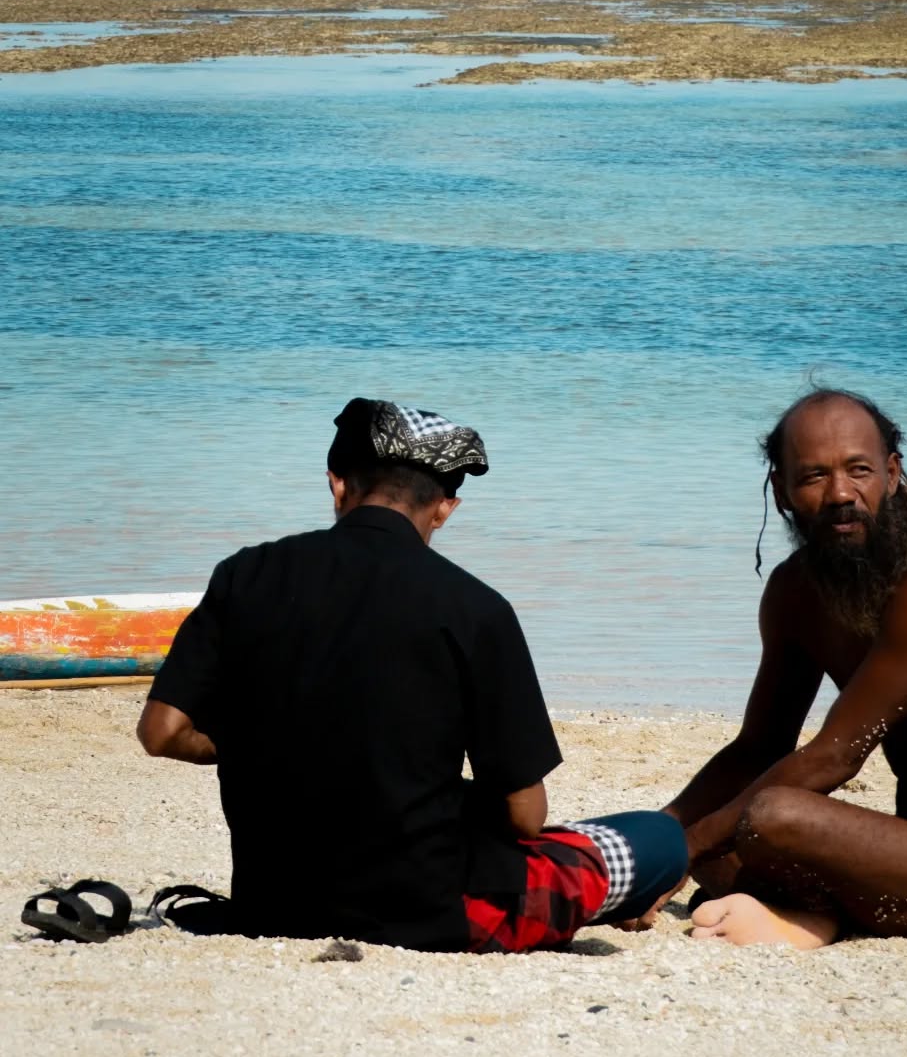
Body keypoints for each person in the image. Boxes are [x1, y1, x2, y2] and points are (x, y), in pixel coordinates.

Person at [138, 397, 686, 952]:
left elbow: (161, 733)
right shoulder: (475, 608)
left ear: (338, 484)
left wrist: (267, 745)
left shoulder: (244, 574)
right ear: (446, 507)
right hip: (432, 912)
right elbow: (525, 816)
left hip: (273, 901)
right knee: (659, 839)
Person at [668, 388, 907, 950]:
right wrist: (658, 835)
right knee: (725, 838)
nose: (841, 493)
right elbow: (758, 747)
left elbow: (837, 757)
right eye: (815, 476)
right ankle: (814, 914)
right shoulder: (794, 592)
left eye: (859, 470)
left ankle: (812, 916)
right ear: (783, 491)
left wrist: (689, 845)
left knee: (767, 816)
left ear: (892, 475)